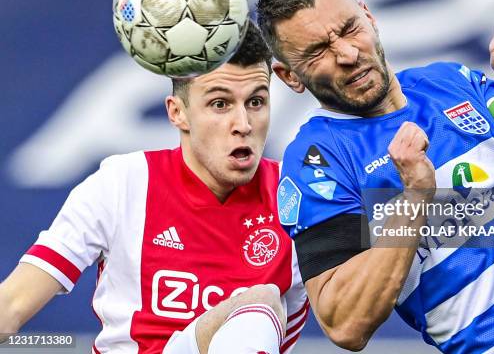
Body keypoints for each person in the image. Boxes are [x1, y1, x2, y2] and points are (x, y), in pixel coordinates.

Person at [256, 0, 494, 353]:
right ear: (289, 76)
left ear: (369, 16)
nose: (347, 54)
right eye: (318, 52)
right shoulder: (317, 159)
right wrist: (414, 198)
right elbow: (344, 323)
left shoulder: (451, 81)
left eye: (349, 28)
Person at [0, 21, 308, 354]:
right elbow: (12, 305)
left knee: (258, 306)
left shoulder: (300, 197)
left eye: (256, 102)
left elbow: (363, 299)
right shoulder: (122, 184)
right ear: (178, 114)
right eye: (220, 104)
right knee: (257, 303)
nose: (243, 125)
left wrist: (376, 171)